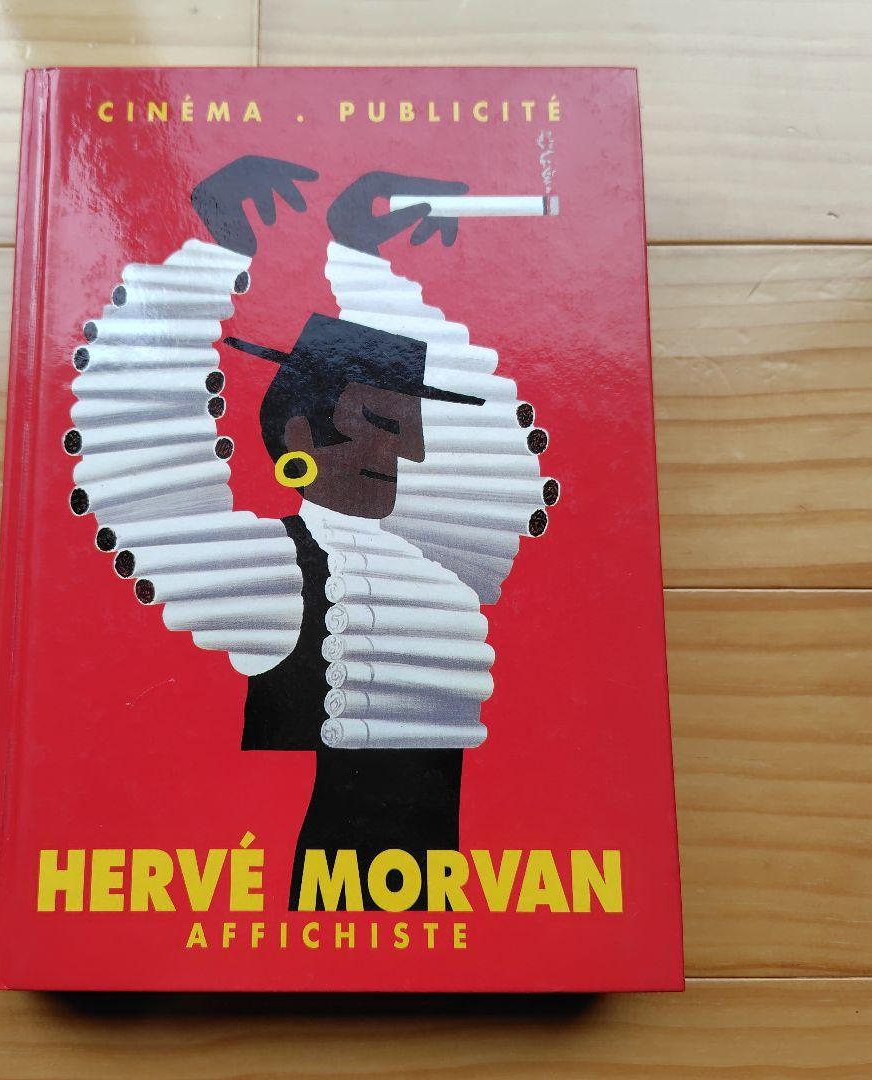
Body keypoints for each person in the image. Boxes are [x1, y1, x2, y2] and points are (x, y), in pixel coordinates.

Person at [68, 157, 556, 909]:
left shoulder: (441, 564)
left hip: (431, 912)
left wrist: (359, 260)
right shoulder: (285, 574)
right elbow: (142, 482)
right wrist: (215, 256)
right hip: (325, 908)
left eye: (413, 429)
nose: (410, 452)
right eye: (384, 423)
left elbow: (496, 460)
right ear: (302, 432)